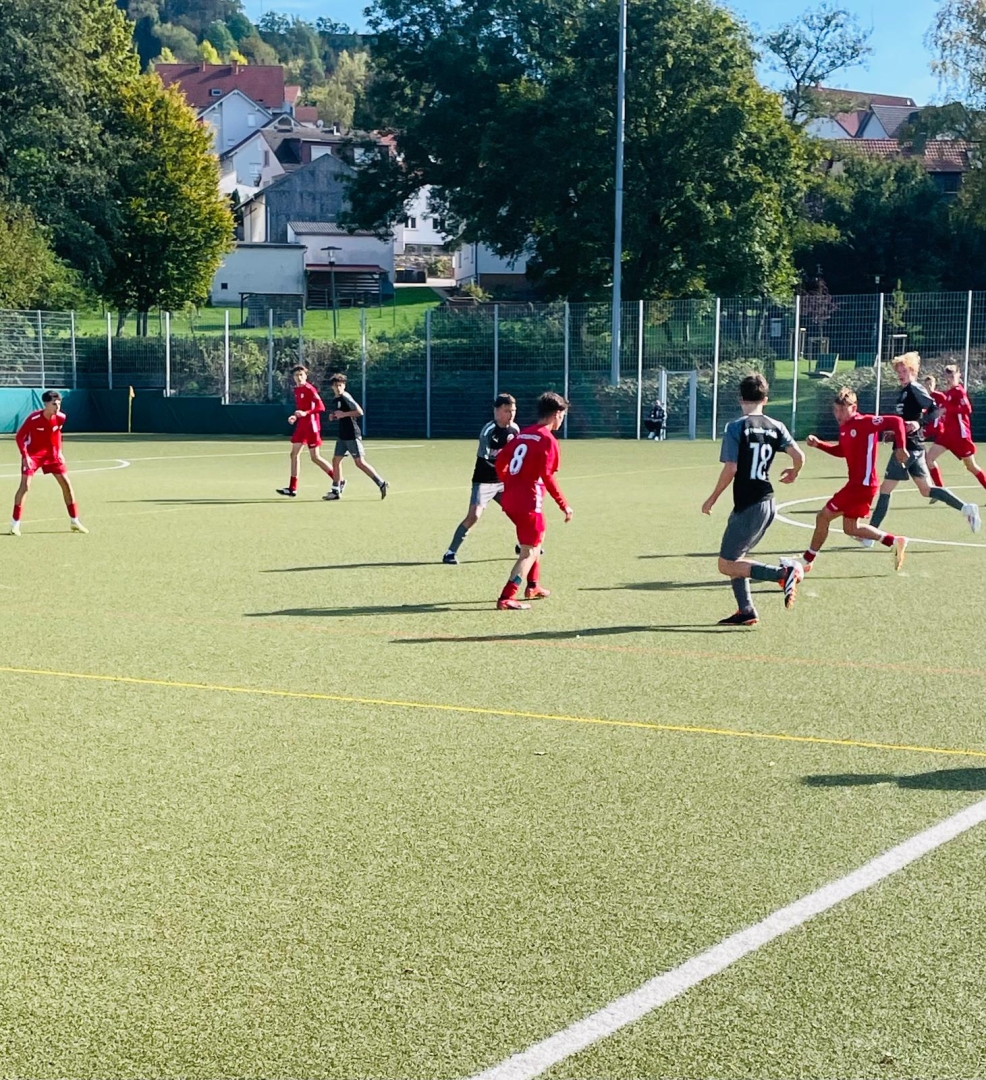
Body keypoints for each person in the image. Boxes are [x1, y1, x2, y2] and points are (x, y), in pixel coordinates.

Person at [701, 374, 806, 627]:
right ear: (765, 400)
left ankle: (783, 573)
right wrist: (795, 472)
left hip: (749, 503)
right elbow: (799, 455)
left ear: (740, 398)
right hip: (767, 501)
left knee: (726, 564)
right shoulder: (776, 426)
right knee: (737, 557)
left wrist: (712, 498)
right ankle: (746, 610)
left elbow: (731, 468)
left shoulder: (736, 427)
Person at [866, 352, 979, 538]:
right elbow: (905, 421)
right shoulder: (904, 392)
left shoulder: (915, 388)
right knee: (926, 490)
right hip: (914, 446)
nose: (901, 374)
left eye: (904, 371)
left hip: (907, 449)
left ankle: (870, 534)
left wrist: (919, 423)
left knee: (885, 489)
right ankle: (966, 508)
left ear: (913, 371)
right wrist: (895, 433)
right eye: (898, 371)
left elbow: (934, 410)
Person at [800, 387, 908, 572]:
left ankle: (807, 560)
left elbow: (896, 421)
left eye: (843, 409)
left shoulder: (864, 422)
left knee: (823, 516)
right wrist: (819, 444)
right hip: (858, 485)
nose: (838, 414)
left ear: (854, 408)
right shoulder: (845, 427)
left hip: (861, 486)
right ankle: (895, 541)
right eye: (836, 410)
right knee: (850, 528)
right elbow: (842, 451)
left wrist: (901, 447)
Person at [493, 391, 573, 610]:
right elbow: (548, 476)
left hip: (510, 499)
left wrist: (510, 482)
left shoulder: (523, 434)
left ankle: (533, 586)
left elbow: (500, 462)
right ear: (556, 414)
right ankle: (507, 597)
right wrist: (564, 505)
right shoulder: (548, 440)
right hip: (529, 502)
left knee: (536, 542)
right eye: (562, 415)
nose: (562, 420)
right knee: (529, 551)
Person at [442, 394, 519, 564]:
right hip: (484, 480)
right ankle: (450, 553)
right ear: (497, 411)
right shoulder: (488, 431)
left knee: (518, 512)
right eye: (507, 411)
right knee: (474, 516)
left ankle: (523, 545)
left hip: (503, 482)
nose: (511, 415)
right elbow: (486, 460)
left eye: (513, 411)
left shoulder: (515, 429)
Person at [10, 390, 87, 536]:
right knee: (25, 486)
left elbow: (57, 434)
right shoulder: (33, 419)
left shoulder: (61, 418)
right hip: (33, 455)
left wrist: (59, 452)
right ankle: (15, 524)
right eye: (54, 404)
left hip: (52, 455)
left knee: (66, 484)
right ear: (45, 404)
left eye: (59, 404)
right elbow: (19, 436)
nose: (57, 407)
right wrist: (25, 456)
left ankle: (75, 521)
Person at [321, 373, 388, 500]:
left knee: (359, 462)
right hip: (342, 435)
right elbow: (340, 413)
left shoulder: (346, 397)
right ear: (332, 387)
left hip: (352, 435)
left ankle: (381, 483)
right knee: (336, 461)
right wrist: (334, 416)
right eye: (336, 386)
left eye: (340, 385)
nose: (338, 388)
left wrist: (343, 414)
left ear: (344, 385)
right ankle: (336, 490)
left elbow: (359, 412)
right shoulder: (336, 399)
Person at [275, 365, 337, 497]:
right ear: (293, 377)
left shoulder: (310, 389)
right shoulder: (297, 390)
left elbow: (321, 407)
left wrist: (305, 413)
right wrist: (295, 416)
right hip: (302, 425)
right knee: (294, 454)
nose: (299, 377)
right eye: (296, 375)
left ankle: (338, 479)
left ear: (306, 376)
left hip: (312, 426)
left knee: (315, 457)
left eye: (301, 375)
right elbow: (302, 409)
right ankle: (292, 488)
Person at [926, 364, 986, 495]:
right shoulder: (949, 393)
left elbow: (967, 409)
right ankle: (942, 491)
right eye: (947, 377)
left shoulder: (959, 391)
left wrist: (948, 409)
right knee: (929, 459)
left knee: (971, 466)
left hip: (960, 436)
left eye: (952, 376)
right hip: (947, 435)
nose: (949, 379)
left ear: (958, 376)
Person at [921, 374, 947, 488]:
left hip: (939, 429)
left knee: (929, 459)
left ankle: (939, 486)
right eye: (927, 384)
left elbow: (947, 408)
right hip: (928, 428)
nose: (929, 386)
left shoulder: (940, 396)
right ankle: (937, 485)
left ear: (935, 385)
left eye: (931, 384)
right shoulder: (922, 397)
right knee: (926, 458)